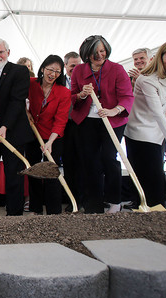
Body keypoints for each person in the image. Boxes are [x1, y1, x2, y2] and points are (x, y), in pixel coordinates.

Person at [70, 35, 134, 214]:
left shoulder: (117, 69)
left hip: (112, 121)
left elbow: (127, 96)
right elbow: (72, 96)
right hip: (86, 121)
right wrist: (82, 94)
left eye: (102, 51)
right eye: (94, 52)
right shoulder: (79, 70)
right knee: (90, 161)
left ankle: (114, 200)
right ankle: (94, 203)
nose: (99, 55)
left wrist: (115, 110)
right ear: (86, 53)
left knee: (108, 157)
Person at [125, 40, 166, 208]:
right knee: (149, 173)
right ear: (160, 56)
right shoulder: (147, 80)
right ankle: (151, 206)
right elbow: (156, 112)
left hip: (158, 132)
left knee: (156, 172)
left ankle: (158, 205)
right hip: (140, 132)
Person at [0, 38, 33, 216]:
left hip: (13, 131)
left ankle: (14, 215)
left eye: (1, 52)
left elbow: (17, 102)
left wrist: (5, 126)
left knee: (13, 175)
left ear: (8, 53)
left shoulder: (19, 71)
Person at [26, 55, 71, 215]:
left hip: (53, 137)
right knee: (34, 170)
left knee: (52, 172)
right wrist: (26, 112)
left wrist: (50, 142)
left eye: (57, 71)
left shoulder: (64, 93)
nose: (53, 74)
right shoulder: (31, 84)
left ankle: (54, 212)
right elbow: (17, 99)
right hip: (33, 135)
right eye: (50, 70)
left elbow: (61, 120)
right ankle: (35, 209)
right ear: (43, 68)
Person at [61, 51, 83, 212]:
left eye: (78, 65)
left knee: (85, 163)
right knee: (69, 163)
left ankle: (86, 198)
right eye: (72, 66)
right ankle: (73, 199)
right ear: (65, 66)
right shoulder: (59, 81)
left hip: (82, 125)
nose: (75, 69)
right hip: (65, 126)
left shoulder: (85, 79)